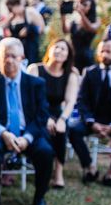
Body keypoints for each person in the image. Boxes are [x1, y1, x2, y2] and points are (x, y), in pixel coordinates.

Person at [0, 37, 54, 205]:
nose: (9, 60)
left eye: (14, 56)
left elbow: (42, 115)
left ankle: (39, 198)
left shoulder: (36, 84)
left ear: (22, 58)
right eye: (5, 56)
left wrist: (27, 138)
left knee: (46, 151)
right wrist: (4, 133)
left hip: (28, 133)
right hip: (1, 132)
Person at [68, 40, 111, 188]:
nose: (104, 54)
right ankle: (90, 166)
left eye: (108, 51)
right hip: (93, 120)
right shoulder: (90, 72)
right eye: (101, 51)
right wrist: (91, 121)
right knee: (73, 131)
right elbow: (82, 100)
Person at [27, 39, 79, 189]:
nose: (59, 51)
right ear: (49, 49)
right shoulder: (35, 69)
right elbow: (30, 99)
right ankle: (42, 164)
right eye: (56, 47)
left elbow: (70, 102)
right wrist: (45, 118)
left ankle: (58, 172)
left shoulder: (71, 75)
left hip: (58, 112)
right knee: (44, 130)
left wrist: (62, 119)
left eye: (64, 49)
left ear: (68, 55)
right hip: (36, 111)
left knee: (61, 130)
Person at [61, 0, 100, 71]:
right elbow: (65, 31)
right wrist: (63, 14)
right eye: (81, 3)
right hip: (72, 56)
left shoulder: (96, 20)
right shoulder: (74, 21)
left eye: (85, 5)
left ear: (91, 8)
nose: (82, 6)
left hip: (86, 57)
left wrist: (81, 13)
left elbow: (91, 28)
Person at [4, 0, 45, 64]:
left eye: (12, 8)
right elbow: (3, 26)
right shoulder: (12, 16)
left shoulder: (30, 12)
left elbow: (41, 28)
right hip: (16, 48)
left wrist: (29, 30)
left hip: (30, 47)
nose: (11, 10)